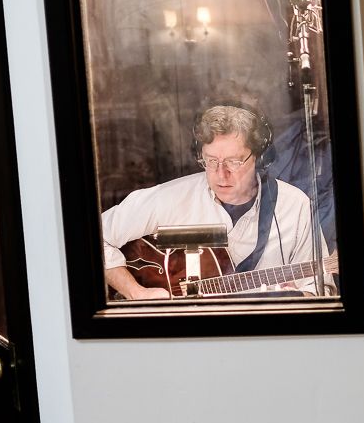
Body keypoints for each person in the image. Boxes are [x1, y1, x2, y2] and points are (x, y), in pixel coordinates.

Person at [101, 104, 335, 300]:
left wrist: (296, 298)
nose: (221, 174)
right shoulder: (169, 198)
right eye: (211, 161)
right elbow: (95, 238)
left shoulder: (293, 205)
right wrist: (136, 292)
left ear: (260, 158)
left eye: (234, 161)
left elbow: (320, 290)